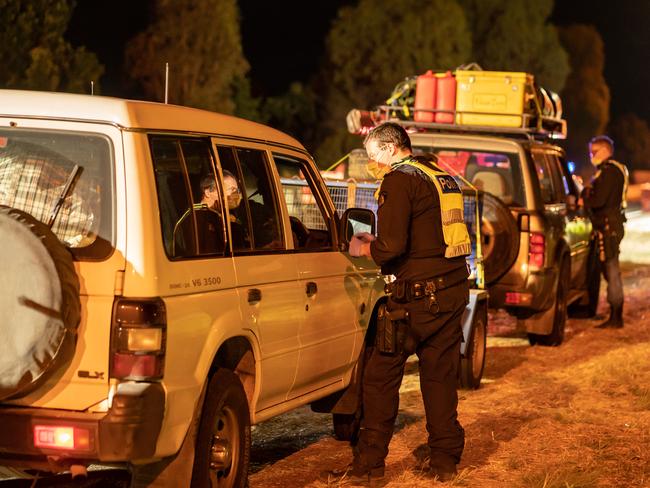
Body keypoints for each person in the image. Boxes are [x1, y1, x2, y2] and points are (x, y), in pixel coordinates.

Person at [325, 122, 471, 485]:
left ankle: (369, 466)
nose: (374, 164)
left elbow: (391, 247)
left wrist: (364, 247)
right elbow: (427, 233)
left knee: (379, 378)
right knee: (439, 378)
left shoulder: (398, 180)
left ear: (391, 148)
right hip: (451, 291)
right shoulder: (440, 176)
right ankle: (445, 460)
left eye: (374, 156)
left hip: (416, 299)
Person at [582, 135, 628, 328]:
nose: (591, 156)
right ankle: (615, 313)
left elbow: (599, 200)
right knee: (610, 270)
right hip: (611, 224)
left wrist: (584, 199)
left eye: (594, 152)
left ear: (605, 151)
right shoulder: (615, 169)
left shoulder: (609, 172)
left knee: (611, 270)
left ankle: (616, 316)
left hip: (608, 226)